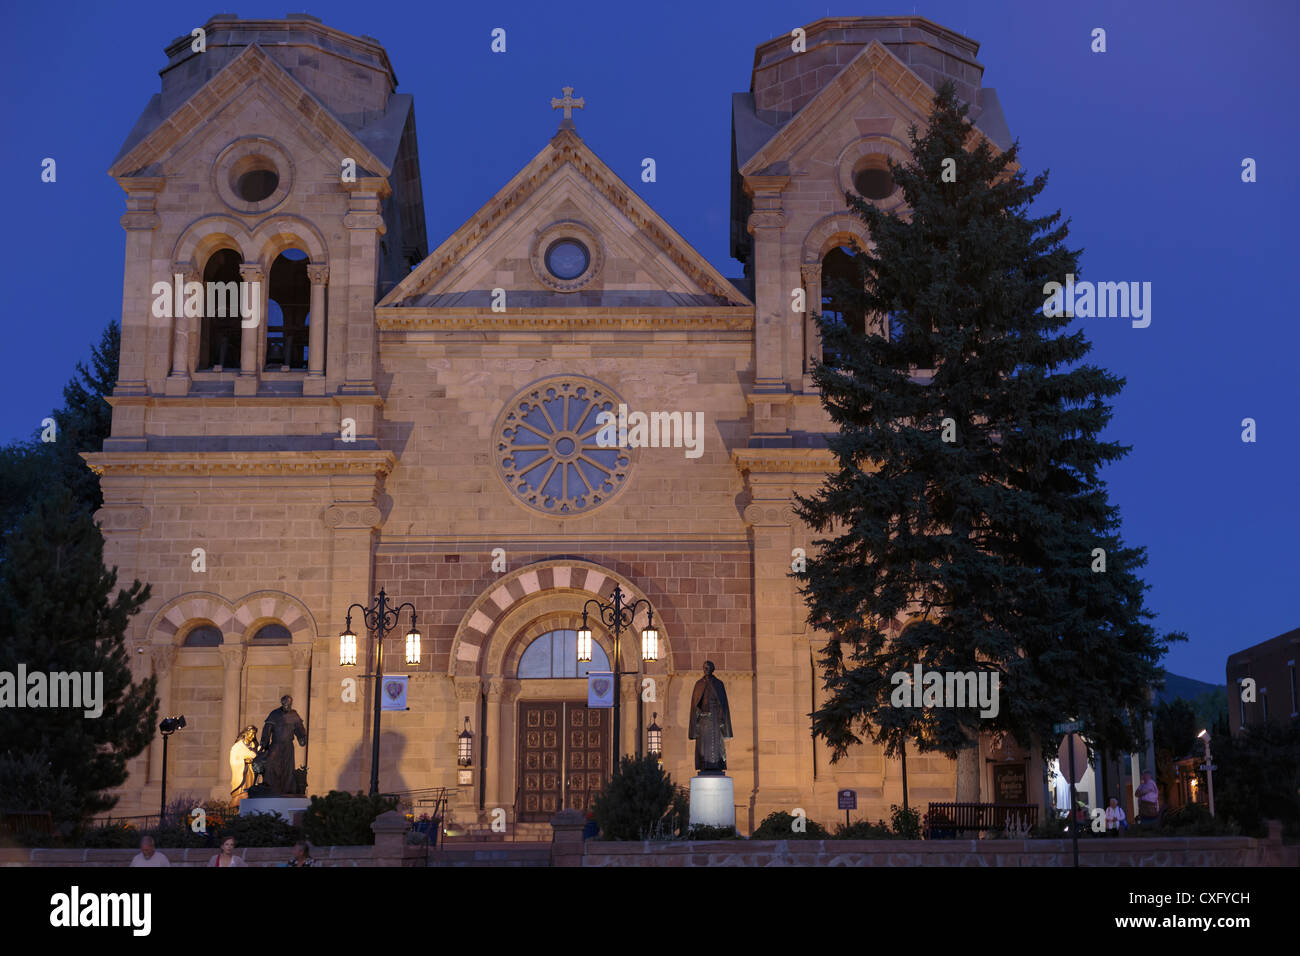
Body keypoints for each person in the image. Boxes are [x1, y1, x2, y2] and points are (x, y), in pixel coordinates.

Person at [229, 725, 258, 803]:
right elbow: (233, 761)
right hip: (241, 773)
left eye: (254, 734)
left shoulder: (254, 746)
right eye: (251, 733)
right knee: (242, 792)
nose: (253, 736)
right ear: (246, 733)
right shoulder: (237, 746)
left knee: (250, 790)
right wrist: (244, 761)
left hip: (251, 772)